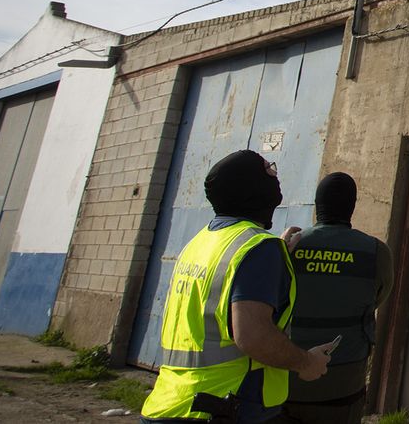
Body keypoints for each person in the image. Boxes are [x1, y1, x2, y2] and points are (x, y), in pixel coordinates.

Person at [142, 150, 334, 424]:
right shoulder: (257, 249)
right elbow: (252, 336)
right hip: (227, 407)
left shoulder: (201, 243)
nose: (275, 175)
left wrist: (273, 255)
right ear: (251, 187)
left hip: (171, 403)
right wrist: (307, 363)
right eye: (268, 170)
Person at [280, 173, 393, 424]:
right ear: (352, 206)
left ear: (318, 204)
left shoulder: (288, 247)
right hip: (343, 382)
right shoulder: (375, 252)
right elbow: (379, 297)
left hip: (285, 378)